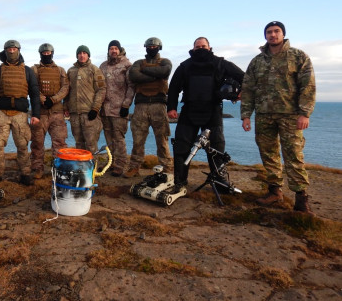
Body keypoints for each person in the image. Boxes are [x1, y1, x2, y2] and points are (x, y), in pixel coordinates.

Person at [241, 21, 316, 214]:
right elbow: (248, 89)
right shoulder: (257, 61)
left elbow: (308, 86)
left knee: (293, 155)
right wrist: (246, 115)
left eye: (276, 31)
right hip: (264, 115)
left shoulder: (298, 57)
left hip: (291, 115)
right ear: (265, 35)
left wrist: (304, 113)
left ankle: (301, 198)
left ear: (283, 34)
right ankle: (275, 191)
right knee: (269, 154)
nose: (273, 35)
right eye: (269, 32)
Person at [167, 37, 244, 192]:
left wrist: (241, 92)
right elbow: (174, 88)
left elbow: (244, 77)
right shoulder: (185, 66)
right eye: (197, 46)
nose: (200, 48)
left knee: (216, 148)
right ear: (193, 48)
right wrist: (172, 108)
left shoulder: (221, 63)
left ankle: (220, 182)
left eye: (203, 46)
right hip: (189, 110)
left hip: (213, 111)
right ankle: (180, 182)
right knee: (181, 147)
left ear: (209, 47)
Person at [0, 40, 41, 186]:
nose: (11, 51)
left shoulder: (27, 71)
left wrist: (36, 114)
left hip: (21, 114)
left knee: (22, 145)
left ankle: (25, 174)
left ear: (19, 50)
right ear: (5, 51)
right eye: (9, 49)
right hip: (1, 113)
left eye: (14, 49)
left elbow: (35, 94)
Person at [125, 37, 172, 177]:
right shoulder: (138, 63)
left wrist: (145, 71)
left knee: (162, 139)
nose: (152, 48)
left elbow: (165, 72)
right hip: (141, 105)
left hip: (159, 104)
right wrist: (155, 76)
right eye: (149, 46)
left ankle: (167, 168)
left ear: (159, 47)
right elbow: (134, 76)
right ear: (145, 47)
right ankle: (134, 167)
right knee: (138, 139)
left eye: (154, 46)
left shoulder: (165, 62)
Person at [30, 43, 70, 179]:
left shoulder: (60, 70)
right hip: (40, 113)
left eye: (49, 52)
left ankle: (59, 169)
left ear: (52, 53)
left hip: (57, 113)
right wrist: (42, 99)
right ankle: (37, 168)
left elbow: (65, 88)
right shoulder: (34, 69)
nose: (46, 54)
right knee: (37, 142)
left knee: (59, 143)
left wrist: (53, 99)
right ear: (40, 53)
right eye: (44, 53)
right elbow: (32, 87)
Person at [99, 40, 135, 177]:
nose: (113, 50)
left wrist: (126, 105)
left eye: (115, 48)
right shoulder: (103, 66)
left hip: (120, 109)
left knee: (119, 138)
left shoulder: (126, 65)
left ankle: (120, 165)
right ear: (108, 51)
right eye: (111, 48)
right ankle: (111, 163)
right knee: (109, 138)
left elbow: (131, 86)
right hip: (105, 109)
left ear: (120, 50)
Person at [64, 45, 106, 155]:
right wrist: (66, 107)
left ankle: (92, 169)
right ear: (77, 55)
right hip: (74, 114)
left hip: (89, 113)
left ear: (88, 55)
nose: (82, 55)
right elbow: (67, 91)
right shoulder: (71, 71)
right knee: (79, 144)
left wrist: (95, 108)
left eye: (84, 53)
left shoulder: (95, 70)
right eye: (80, 53)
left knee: (91, 144)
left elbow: (101, 90)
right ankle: (81, 168)